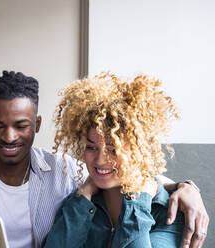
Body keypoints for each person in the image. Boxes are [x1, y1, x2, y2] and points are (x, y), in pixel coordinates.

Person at [0, 71, 208, 248]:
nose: (9, 137)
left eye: (21, 126)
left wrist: (186, 187)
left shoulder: (63, 171)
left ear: (36, 124)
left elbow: (130, 176)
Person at [43, 72, 208, 248]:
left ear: (139, 150)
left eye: (113, 150)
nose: (100, 160)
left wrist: (137, 199)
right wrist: (83, 195)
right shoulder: (80, 202)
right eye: (91, 147)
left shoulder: (172, 212)